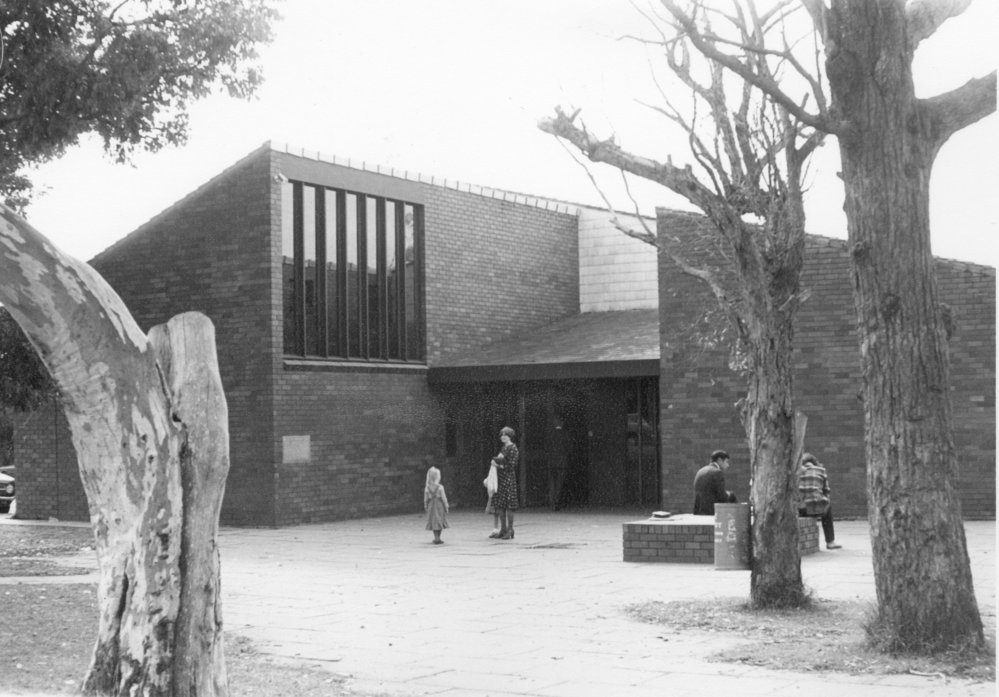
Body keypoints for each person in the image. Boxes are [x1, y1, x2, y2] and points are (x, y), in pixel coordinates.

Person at [797, 452, 841, 550]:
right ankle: (830, 542)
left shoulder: (797, 472)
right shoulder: (821, 470)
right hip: (816, 509)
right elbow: (827, 490)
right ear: (814, 462)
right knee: (828, 509)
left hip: (800, 510)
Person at [490, 426, 519, 540]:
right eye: (501, 435)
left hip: (508, 478)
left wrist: (498, 465)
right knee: (500, 505)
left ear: (510, 436)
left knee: (509, 505)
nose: (503, 437)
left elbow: (511, 464)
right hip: (500, 479)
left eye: (505, 435)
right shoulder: (503, 448)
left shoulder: (513, 448)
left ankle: (510, 529)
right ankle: (503, 529)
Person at [693, 449, 736, 515]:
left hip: (698, 510)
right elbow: (722, 496)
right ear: (719, 460)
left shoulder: (701, 471)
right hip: (711, 511)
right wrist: (730, 496)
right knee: (732, 496)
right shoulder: (717, 472)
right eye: (726, 462)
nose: (728, 465)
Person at [424, 462, 449, 545]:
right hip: (439, 506)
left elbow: (426, 499)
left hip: (431, 506)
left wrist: (426, 506)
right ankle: (438, 537)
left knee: (434, 522)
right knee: (440, 521)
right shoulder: (440, 487)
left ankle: (436, 537)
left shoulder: (427, 488)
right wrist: (446, 505)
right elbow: (443, 498)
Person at [484, 458, 500, 537]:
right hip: (495, 494)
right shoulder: (493, 472)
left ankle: (497, 529)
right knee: (496, 513)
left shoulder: (497, 471)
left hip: (496, 494)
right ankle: (496, 529)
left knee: (497, 512)